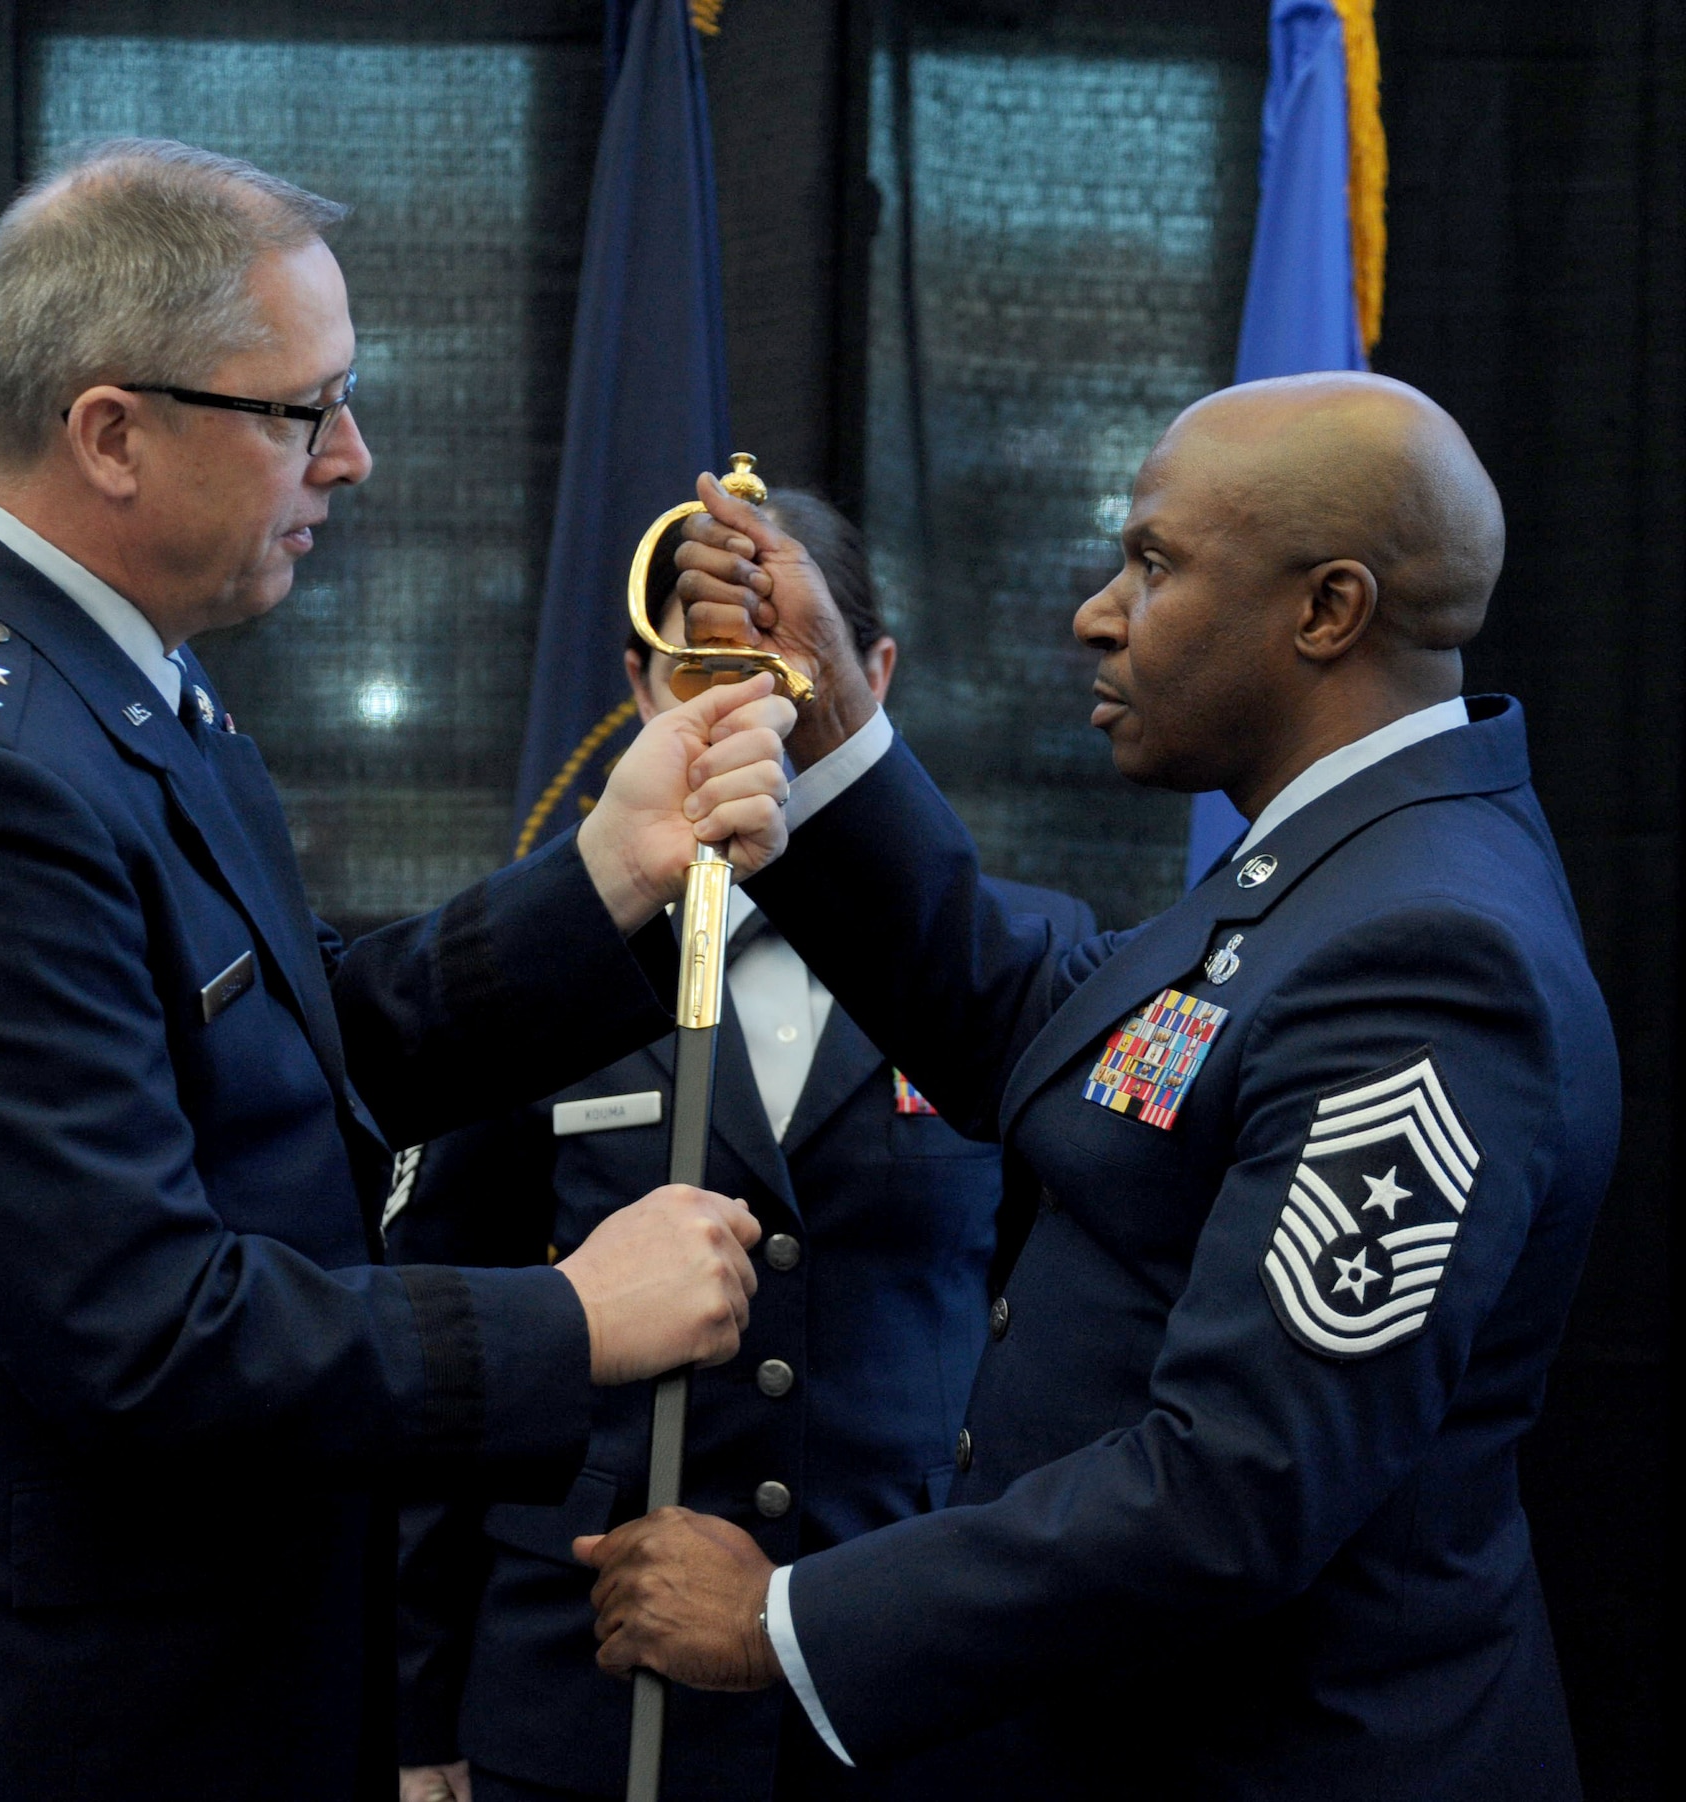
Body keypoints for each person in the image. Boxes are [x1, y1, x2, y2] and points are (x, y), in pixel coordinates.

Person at [0, 140, 800, 1802]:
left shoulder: (116, 680)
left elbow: (290, 1055)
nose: (351, 458)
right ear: (112, 432)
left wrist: (604, 877)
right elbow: (148, 1335)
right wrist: (572, 1317)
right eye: (305, 409)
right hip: (47, 1728)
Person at [578, 372, 1619, 1801]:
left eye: (1154, 562)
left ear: (1326, 612)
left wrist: (783, 1619)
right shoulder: (1328, 869)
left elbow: (1236, 1490)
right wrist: (824, 722)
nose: (1098, 612)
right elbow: (1054, 1033)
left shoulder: (1427, 949)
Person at [389, 492, 1096, 1802]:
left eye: (769, 672)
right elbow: (444, 1343)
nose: (724, 710)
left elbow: (1057, 1328)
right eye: (690, 669)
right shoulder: (529, 961)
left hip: (898, 1672)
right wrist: (418, 1699)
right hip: (588, 1688)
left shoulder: (1004, 972)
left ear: (868, 678)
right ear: (639, 686)